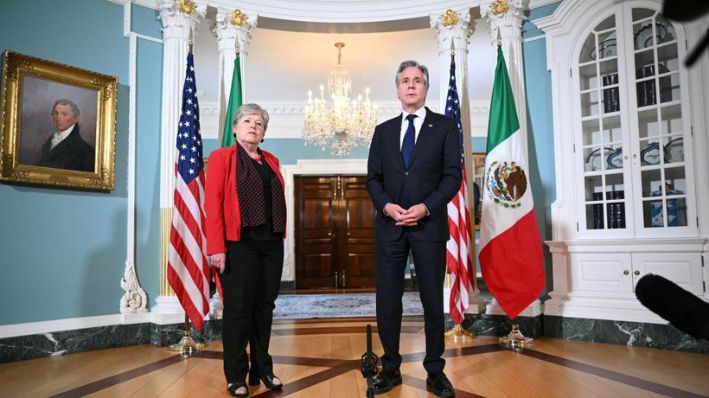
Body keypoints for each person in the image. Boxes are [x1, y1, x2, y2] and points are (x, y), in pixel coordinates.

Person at [366, 60, 462, 397]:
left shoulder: (446, 127)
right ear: (397, 88)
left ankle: (435, 370)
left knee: (432, 300)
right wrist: (387, 207)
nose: (411, 85)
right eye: (405, 80)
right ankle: (390, 367)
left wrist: (425, 207)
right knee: (388, 300)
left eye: (417, 80)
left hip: (429, 226)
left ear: (425, 88)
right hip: (390, 227)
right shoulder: (383, 131)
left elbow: (453, 176)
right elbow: (373, 179)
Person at [206, 103, 286, 398]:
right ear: (236, 128)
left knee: (265, 308)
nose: (253, 126)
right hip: (237, 243)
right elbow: (212, 204)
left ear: (263, 133)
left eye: (259, 123)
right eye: (247, 121)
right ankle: (235, 375)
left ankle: (262, 368)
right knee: (239, 310)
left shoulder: (272, 160)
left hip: (271, 243)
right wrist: (216, 246)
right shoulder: (221, 158)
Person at [37, 99, 95, 172]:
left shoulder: (85, 151)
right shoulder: (48, 143)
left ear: (76, 119)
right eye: (56, 113)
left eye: (64, 114)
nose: (58, 118)